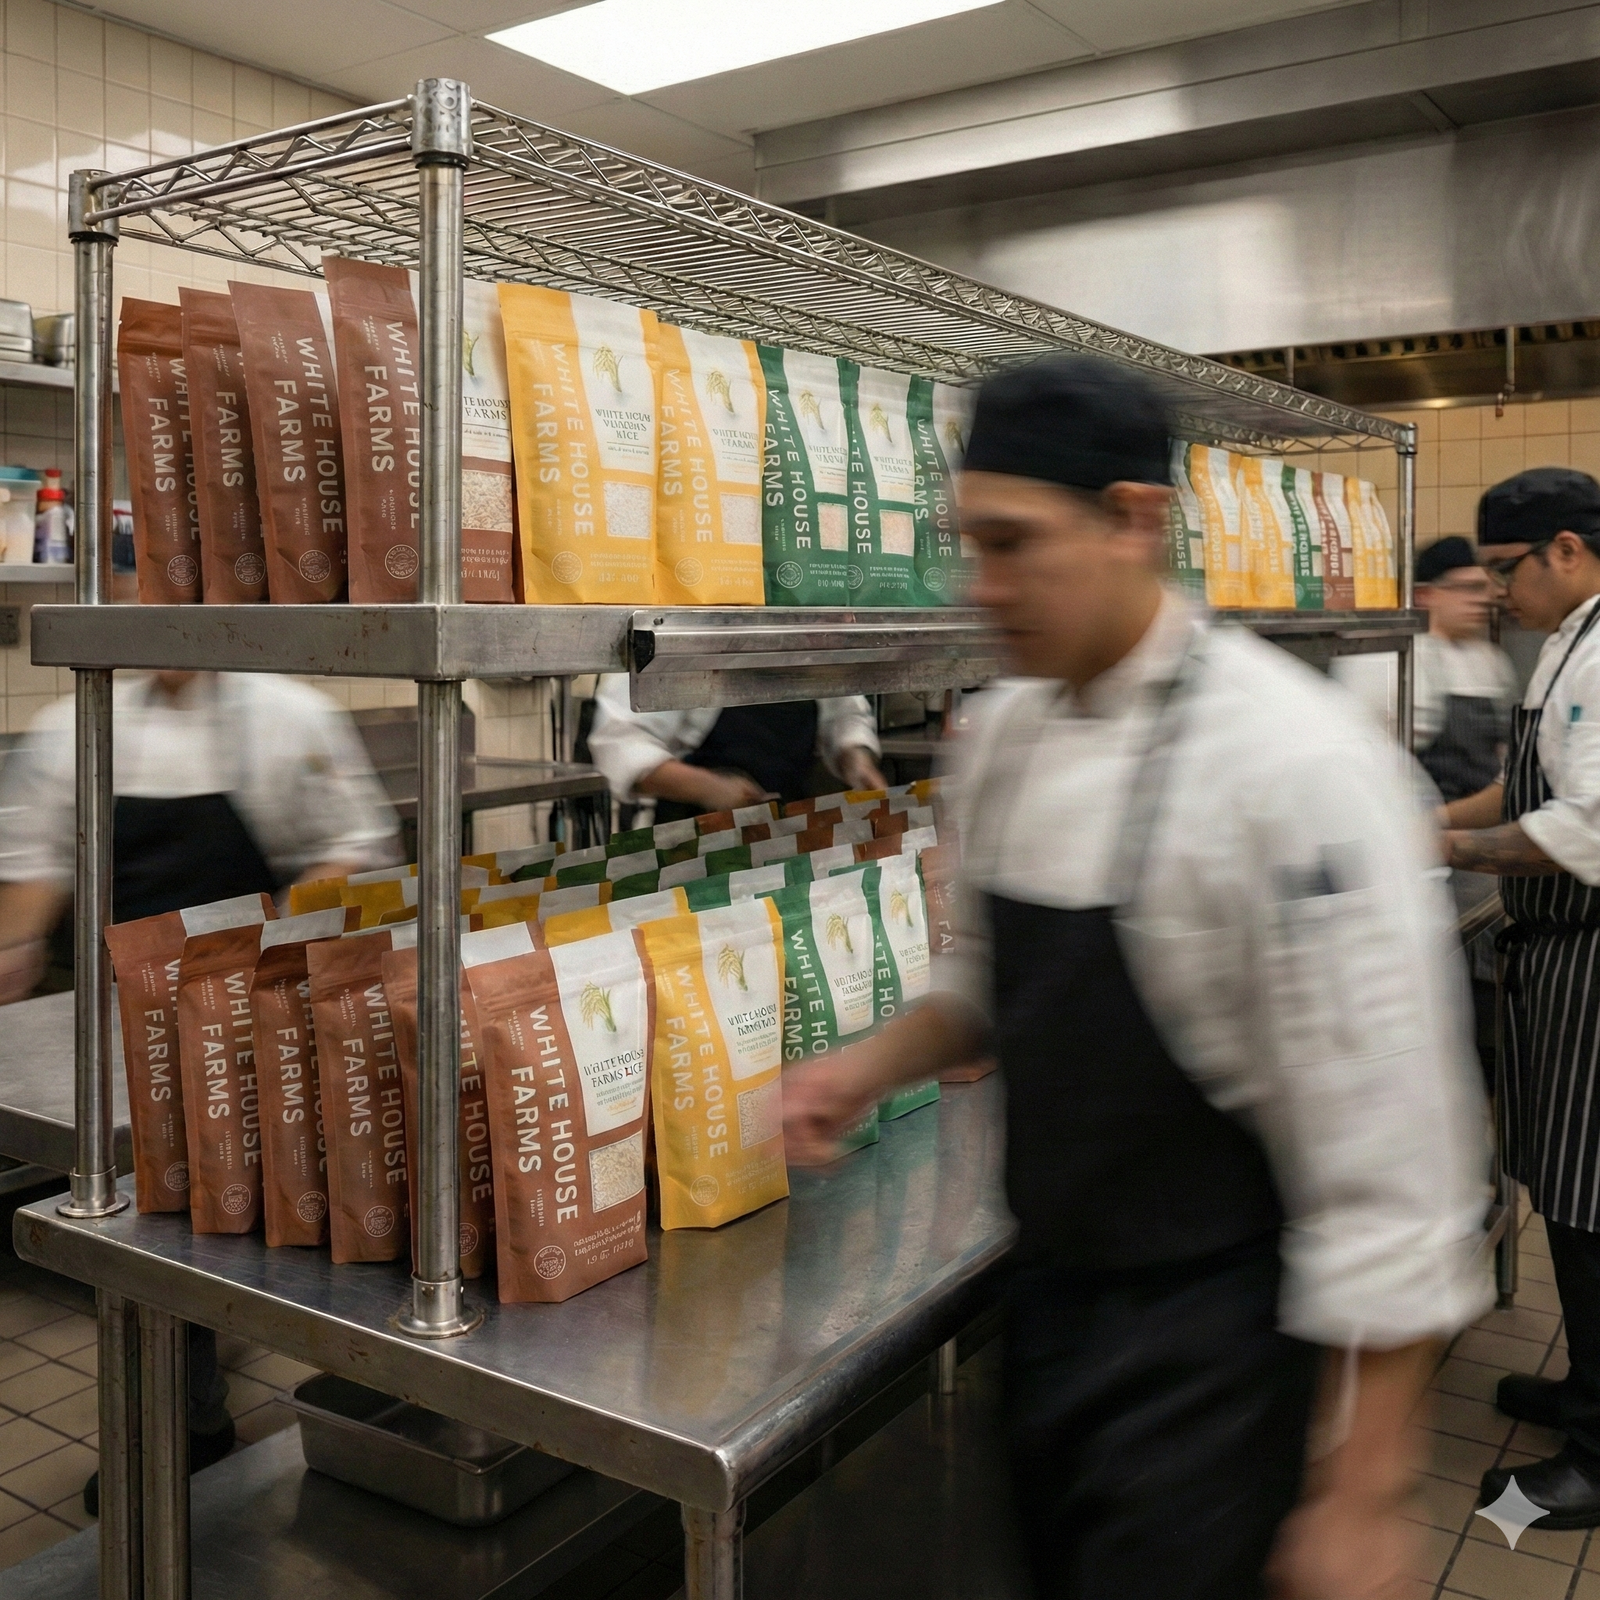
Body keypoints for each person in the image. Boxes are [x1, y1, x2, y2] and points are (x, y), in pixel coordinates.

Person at [782, 355, 1491, 1600]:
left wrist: (1361, 1488)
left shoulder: (1294, 763)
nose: (982, 585)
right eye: (969, 543)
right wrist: (865, 1067)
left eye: (1013, 544)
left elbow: (1393, 1159)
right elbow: (987, 977)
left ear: (1132, 520)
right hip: (1052, 1302)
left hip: (1218, 1348)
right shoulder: (1008, 729)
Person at [0, 668, 398, 1508]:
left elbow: (353, 846)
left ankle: (226, 1383)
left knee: (230, 1206)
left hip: (254, 1004)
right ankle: (184, 1418)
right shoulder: (80, 722)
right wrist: (15, 945)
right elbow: (40, 853)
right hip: (125, 1011)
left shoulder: (288, 716)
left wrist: (255, 959)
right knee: (150, 1210)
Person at [1442, 468, 1600, 1525]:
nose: (1496, 591)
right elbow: (1529, 784)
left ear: (1566, 550)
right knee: (1570, 1199)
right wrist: (1431, 819)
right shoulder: (1567, 641)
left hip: (1594, 959)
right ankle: (1588, 1390)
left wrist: (1446, 849)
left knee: (1595, 1210)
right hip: (1559, 958)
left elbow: (1587, 824)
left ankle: (1598, 1455)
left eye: (1507, 569)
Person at [586, 674, 885, 821]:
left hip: (785, 832)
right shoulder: (692, 629)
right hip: (693, 840)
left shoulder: (810, 634)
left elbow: (844, 714)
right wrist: (709, 788)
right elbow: (619, 739)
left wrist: (856, 760)